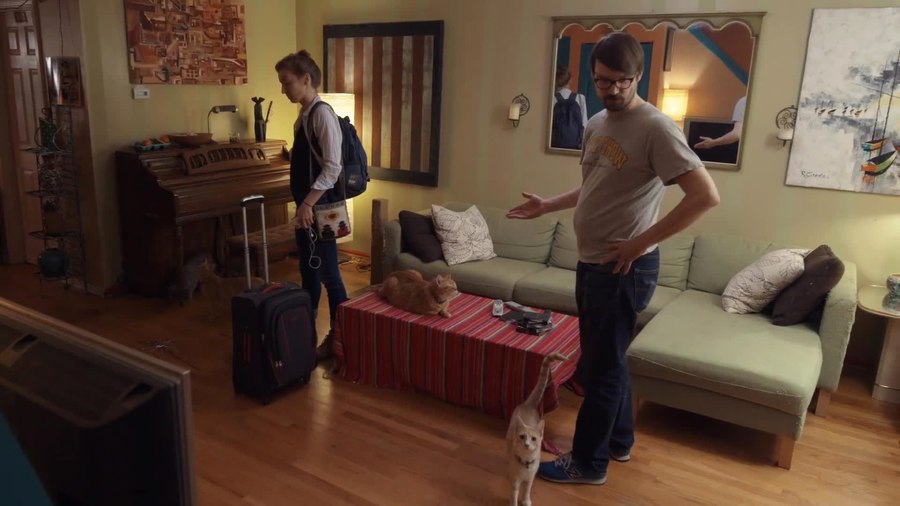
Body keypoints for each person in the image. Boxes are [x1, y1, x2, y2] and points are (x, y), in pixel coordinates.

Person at [507, 32, 720, 486]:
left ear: (638, 76)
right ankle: (619, 442)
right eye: (605, 80)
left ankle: (588, 463)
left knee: (600, 370)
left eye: (625, 80)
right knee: (609, 359)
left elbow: (705, 196)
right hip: (593, 262)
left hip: (624, 269)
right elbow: (595, 185)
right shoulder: (596, 123)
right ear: (593, 76)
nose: (615, 89)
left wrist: (639, 243)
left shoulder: (657, 128)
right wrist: (548, 205)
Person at [275, 50, 348, 361]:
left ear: (306, 79)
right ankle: (305, 337)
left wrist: (306, 204)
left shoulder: (322, 115)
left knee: (329, 274)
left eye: (287, 82)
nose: (283, 90)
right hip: (308, 210)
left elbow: (332, 168)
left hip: (321, 209)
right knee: (309, 272)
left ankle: (341, 340)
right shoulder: (304, 116)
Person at [551, 66, 588, 149]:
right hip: (575, 146)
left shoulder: (552, 99)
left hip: (555, 147)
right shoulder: (580, 98)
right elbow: (585, 124)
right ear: (570, 80)